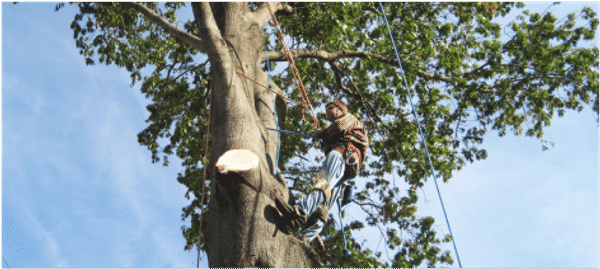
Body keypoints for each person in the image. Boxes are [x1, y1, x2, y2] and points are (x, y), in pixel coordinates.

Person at [275, 100, 369, 243]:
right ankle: (306, 236)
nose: (326, 113)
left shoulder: (350, 118)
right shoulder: (351, 127)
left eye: (329, 108)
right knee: (325, 206)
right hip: (346, 168)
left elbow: (338, 127)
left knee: (322, 183)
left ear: (339, 109)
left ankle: (300, 212)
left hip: (342, 153)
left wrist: (322, 132)